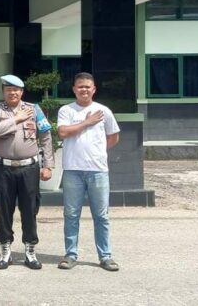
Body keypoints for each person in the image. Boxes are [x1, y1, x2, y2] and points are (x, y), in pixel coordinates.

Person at [0, 74, 54, 270]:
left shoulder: (34, 109)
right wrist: (15, 119)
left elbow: (46, 136)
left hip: (29, 168)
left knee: (30, 209)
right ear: (3, 92)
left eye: (16, 90)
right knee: (4, 209)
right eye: (8, 90)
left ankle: (30, 250)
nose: (12, 93)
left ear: (21, 92)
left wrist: (47, 165)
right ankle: (5, 251)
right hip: (3, 168)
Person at [57, 72, 121, 272]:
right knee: (71, 214)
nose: (84, 89)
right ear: (74, 89)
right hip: (72, 171)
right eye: (80, 86)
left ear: (94, 89)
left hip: (98, 171)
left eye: (87, 86)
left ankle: (105, 256)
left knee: (101, 215)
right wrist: (87, 122)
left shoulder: (104, 111)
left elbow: (113, 136)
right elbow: (63, 132)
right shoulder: (66, 110)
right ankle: (71, 254)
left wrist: (98, 153)